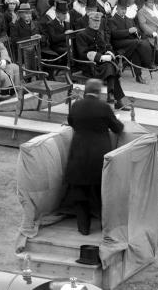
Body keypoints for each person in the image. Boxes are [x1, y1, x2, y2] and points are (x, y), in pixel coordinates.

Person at [64, 79, 125, 234]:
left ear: (86, 90)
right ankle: (106, 227)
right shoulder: (103, 107)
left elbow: (71, 122)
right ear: (99, 92)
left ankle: (83, 228)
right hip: (99, 155)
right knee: (101, 192)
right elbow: (117, 128)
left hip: (78, 153)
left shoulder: (76, 105)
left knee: (79, 192)